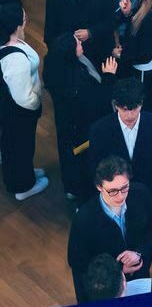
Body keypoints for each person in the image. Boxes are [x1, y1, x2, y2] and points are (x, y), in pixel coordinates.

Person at [67, 155, 152, 303]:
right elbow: (78, 262)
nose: (120, 196)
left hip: (140, 270)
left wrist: (139, 252)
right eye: (112, 191)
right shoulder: (84, 220)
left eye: (125, 187)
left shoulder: (141, 194)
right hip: (108, 287)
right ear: (99, 187)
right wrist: (118, 271)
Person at [43, 32, 118, 201]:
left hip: (66, 123)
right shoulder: (79, 83)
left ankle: (71, 187)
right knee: (85, 161)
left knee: (68, 155)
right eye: (77, 43)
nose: (80, 44)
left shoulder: (54, 66)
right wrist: (109, 76)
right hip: (85, 129)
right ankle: (83, 193)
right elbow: (98, 103)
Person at [90, 78, 152, 205]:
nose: (130, 115)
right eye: (125, 109)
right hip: (115, 197)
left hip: (149, 194)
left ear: (141, 103)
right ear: (116, 105)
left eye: (134, 108)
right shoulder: (99, 130)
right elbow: (97, 169)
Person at [0, 2, 47, 201]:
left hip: (9, 109)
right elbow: (23, 98)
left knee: (16, 146)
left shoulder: (9, 42)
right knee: (21, 147)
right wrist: (37, 101)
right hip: (19, 113)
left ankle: (24, 172)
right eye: (24, 18)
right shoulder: (15, 60)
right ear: (18, 25)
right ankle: (23, 186)